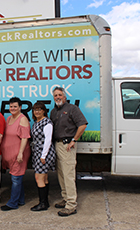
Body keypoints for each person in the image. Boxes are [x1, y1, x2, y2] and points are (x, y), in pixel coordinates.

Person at [50, 87, 88, 217]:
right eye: (55, 95)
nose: (58, 97)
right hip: (57, 144)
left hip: (67, 146)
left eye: (60, 95)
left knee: (68, 175)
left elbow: (82, 124)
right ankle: (65, 198)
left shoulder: (72, 109)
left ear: (65, 97)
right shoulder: (54, 111)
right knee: (61, 174)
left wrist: (74, 140)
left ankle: (71, 205)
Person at [0, 97, 31, 211]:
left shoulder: (22, 119)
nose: (12, 108)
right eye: (11, 106)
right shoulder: (8, 118)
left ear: (20, 107)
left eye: (15, 107)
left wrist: (20, 153)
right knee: (17, 178)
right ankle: (20, 200)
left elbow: (24, 138)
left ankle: (12, 203)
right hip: (10, 155)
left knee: (16, 179)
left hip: (19, 155)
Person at [30, 101, 56, 211]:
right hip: (38, 152)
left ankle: (42, 203)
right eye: (35, 109)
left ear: (44, 111)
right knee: (44, 178)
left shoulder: (47, 122)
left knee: (38, 177)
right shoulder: (36, 122)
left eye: (39, 109)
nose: (37, 111)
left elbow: (48, 140)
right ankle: (45, 202)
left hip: (44, 153)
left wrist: (43, 155)